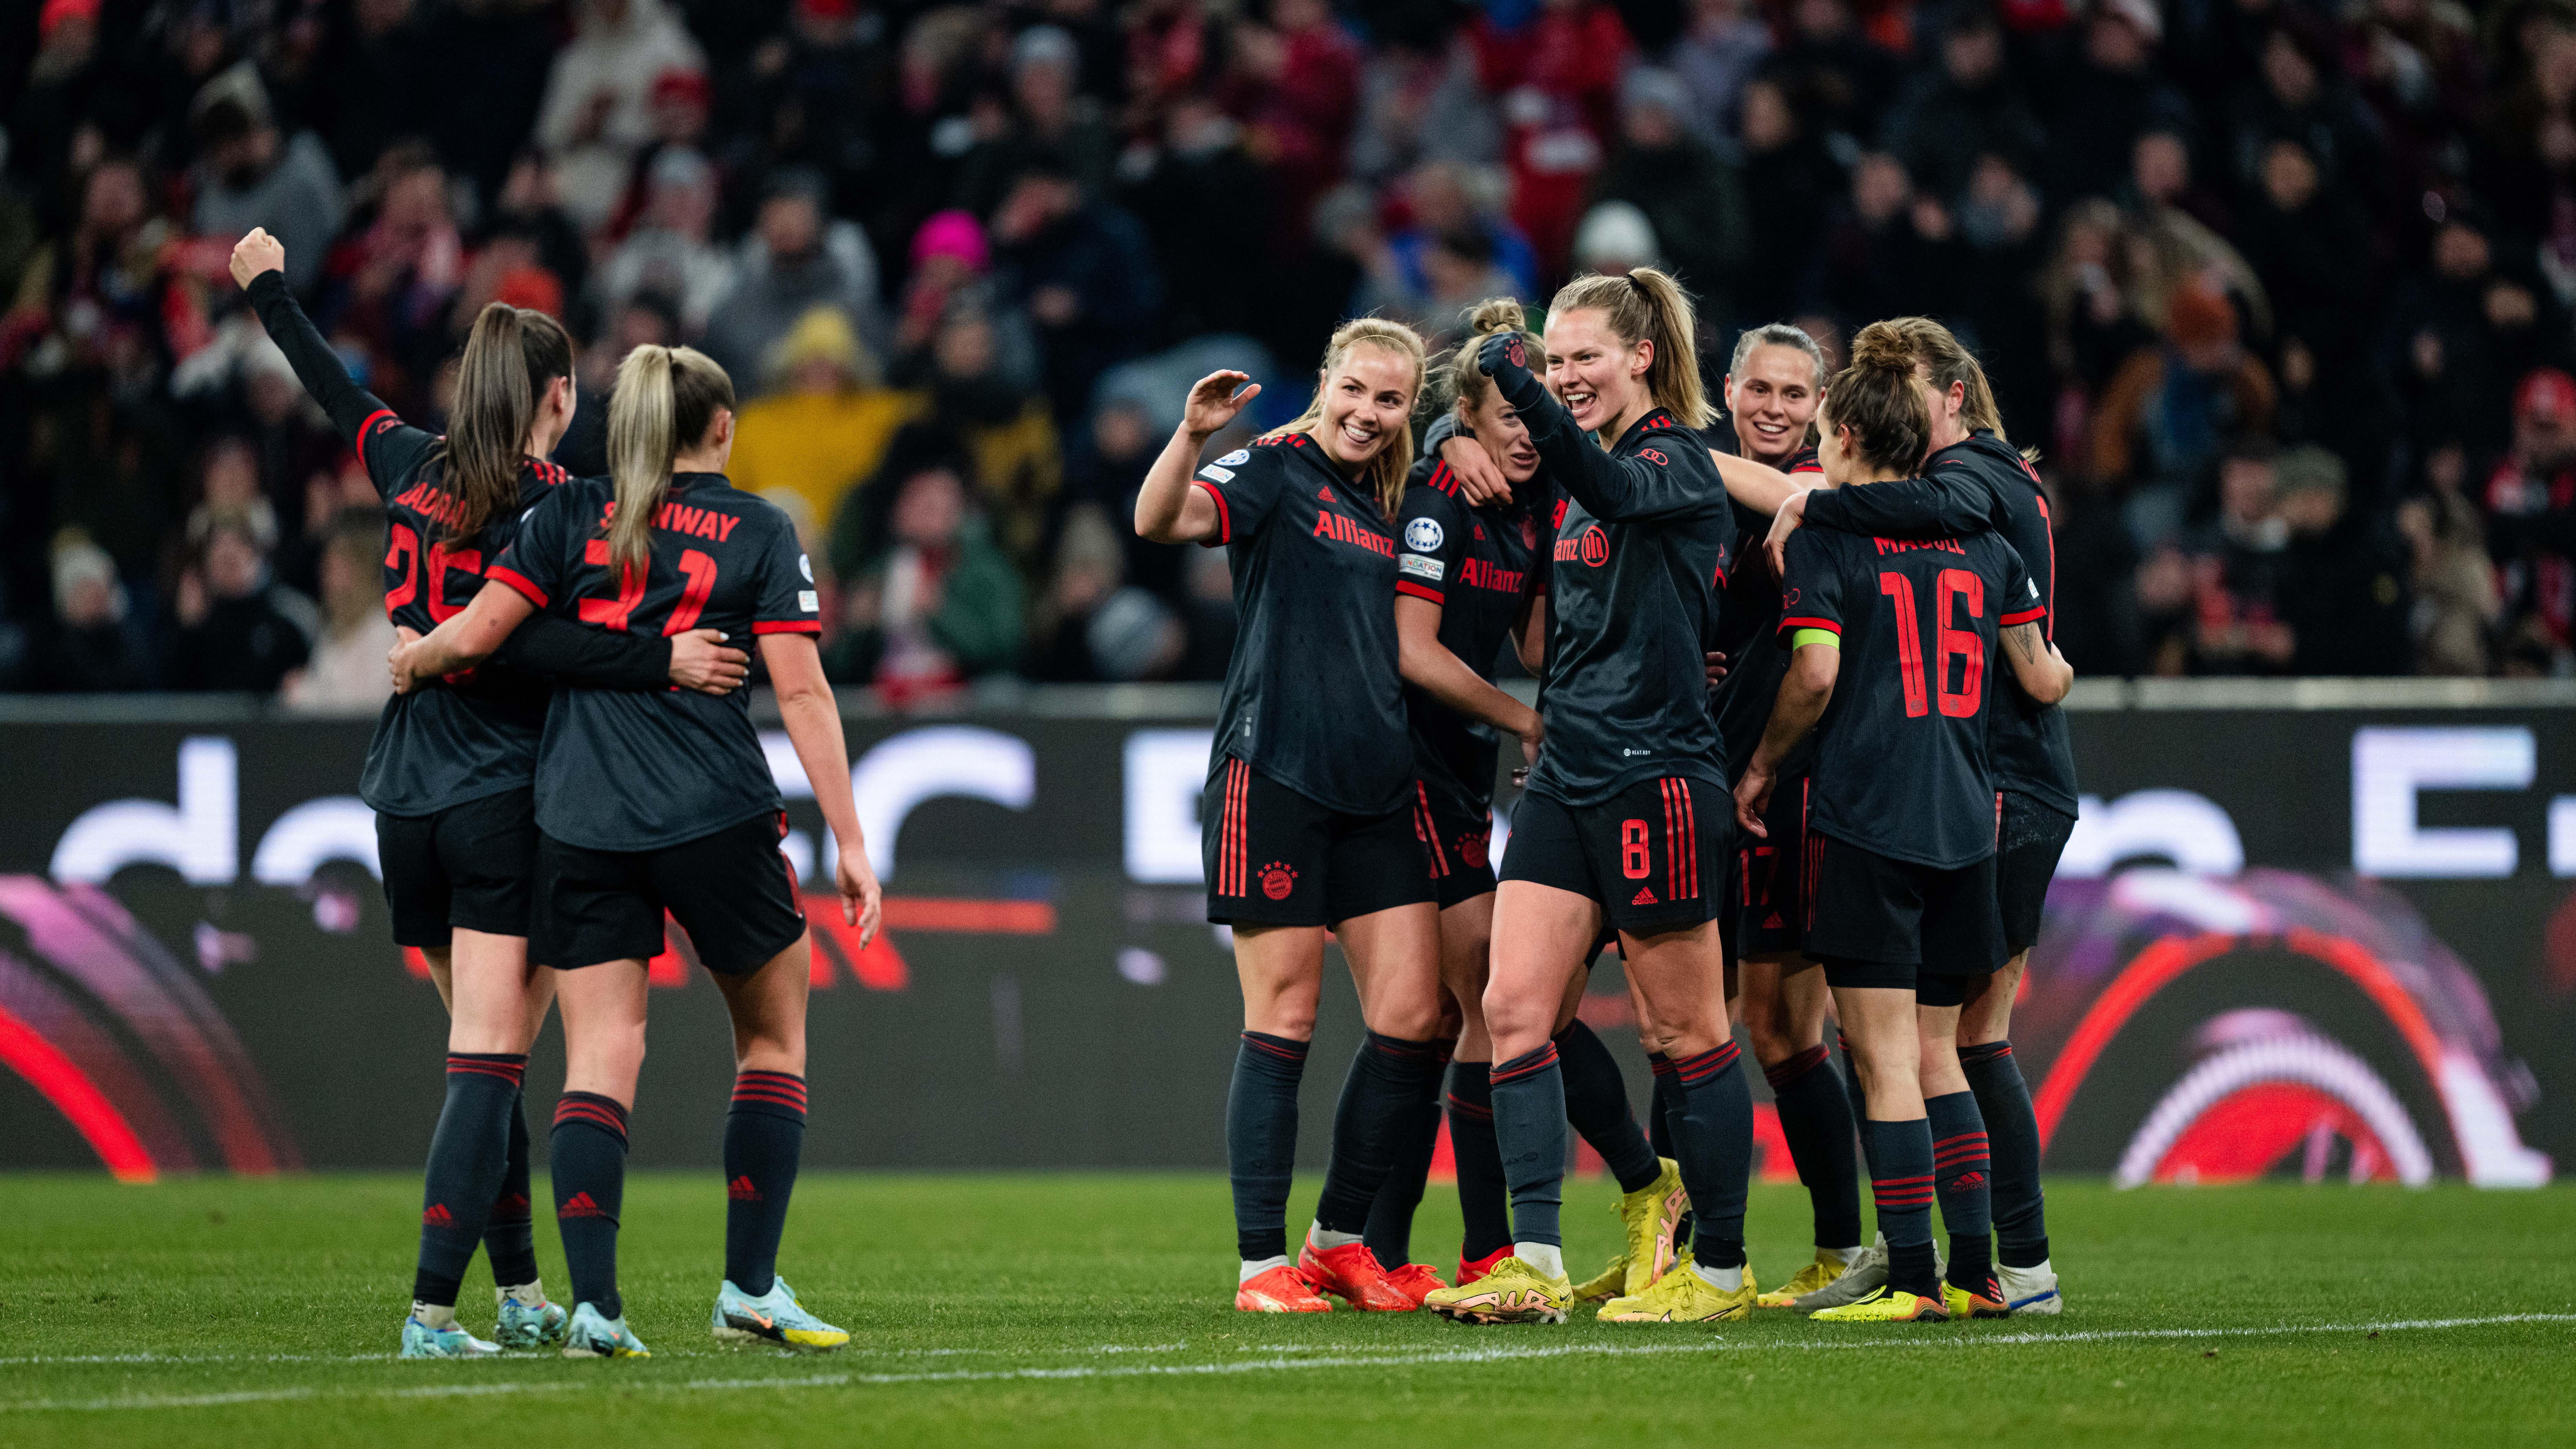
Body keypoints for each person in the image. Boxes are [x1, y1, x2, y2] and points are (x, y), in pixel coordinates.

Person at [233, 227, 747, 1359]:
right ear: (559, 397)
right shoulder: (555, 503)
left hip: (401, 798)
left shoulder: (406, 461)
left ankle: (517, 1290)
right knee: (489, 1058)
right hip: (501, 799)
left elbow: (333, 387)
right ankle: (430, 1310)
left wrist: (268, 287)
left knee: (488, 1060)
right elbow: (548, 643)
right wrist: (666, 660)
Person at [392, 344, 880, 1358]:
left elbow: (488, 630)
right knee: (772, 1039)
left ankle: (596, 1309)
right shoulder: (758, 527)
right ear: (723, 427)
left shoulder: (571, 513)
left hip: (579, 816)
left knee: (600, 1057)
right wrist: (850, 837)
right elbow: (800, 693)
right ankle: (749, 1288)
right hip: (712, 811)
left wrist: (418, 654)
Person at [1420, 269, 1752, 1327]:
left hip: (1656, 775)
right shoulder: (1575, 469)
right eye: (1552, 363)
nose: (1561, 381)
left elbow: (1608, 493)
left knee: (1683, 1028)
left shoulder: (1677, 464)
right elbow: (1496, 462)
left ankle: (1722, 1269)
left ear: (1642, 357)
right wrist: (1447, 435)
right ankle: (1534, 1259)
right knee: (1514, 1008)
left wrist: (1514, 387)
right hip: (1566, 775)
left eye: (1581, 361)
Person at [1734, 339, 2071, 1325]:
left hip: (1869, 815)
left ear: (1840, 434)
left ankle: (1913, 1277)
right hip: (1969, 817)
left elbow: (1815, 674)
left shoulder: (1828, 541)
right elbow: (2041, 674)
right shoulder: (1986, 539)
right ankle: (1978, 1272)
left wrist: (1759, 766)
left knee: (1880, 1058)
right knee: (1940, 1054)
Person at [1132, 319, 1448, 1316]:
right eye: (1354, 389)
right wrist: (1189, 436)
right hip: (1273, 774)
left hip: (1378, 788)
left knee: (1412, 1018)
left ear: (1408, 411)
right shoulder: (1272, 465)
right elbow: (1160, 522)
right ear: (1325, 381)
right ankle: (1259, 1265)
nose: (1366, 412)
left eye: (1389, 400)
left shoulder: (1395, 497)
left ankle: (1337, 1240)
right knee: (1285, 1018)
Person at [1374, 299, 1671, 1302]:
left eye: (1537, 419)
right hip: (1405, 763)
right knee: (1488, 1003)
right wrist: (1526, 721)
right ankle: (1488, 1239)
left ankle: (1467, 1247)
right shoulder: (1436, 497)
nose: (1529, 437)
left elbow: (1539, 644)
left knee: (1485, 1009)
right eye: (1509, 421)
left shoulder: (1538, 497)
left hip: (1464, 770)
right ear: (1466, 416)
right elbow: (1413, 653)